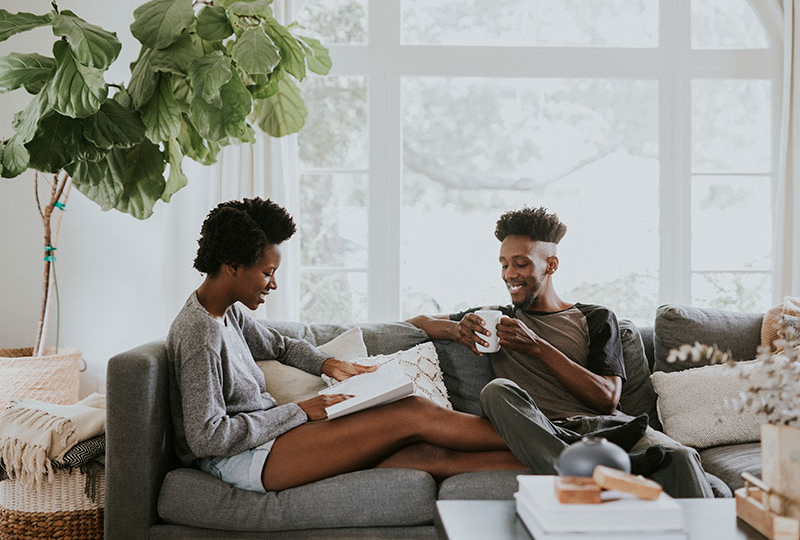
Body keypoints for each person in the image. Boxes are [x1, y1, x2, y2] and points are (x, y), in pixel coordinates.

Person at [166, 197, 526, 493]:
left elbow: (279, 346)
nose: (273, 284)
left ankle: (552, 462)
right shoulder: (201, 334)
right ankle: (550, 438)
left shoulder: (227, 314)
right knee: (412, 411)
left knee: (422, 455)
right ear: (232, 267)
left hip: (267, 443)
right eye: (267, 272)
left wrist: (328, 365)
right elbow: (207, 439)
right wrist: (302, 411)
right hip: (242, 460)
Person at [408, 206, 714, 498]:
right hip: (538, 430)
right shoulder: (497, 317)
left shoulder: (595, 318)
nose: (509, 274)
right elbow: (416, 322)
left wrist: (538, 347)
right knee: (496, 391)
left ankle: (585, 461)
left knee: (682, 457)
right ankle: (593, 466)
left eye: (521, 263)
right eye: (504, 264)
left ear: (551, 265)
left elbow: (606, 399)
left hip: (609, 430)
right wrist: (456, 330)